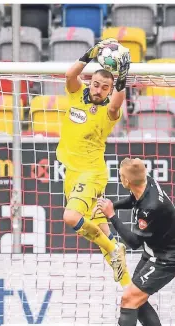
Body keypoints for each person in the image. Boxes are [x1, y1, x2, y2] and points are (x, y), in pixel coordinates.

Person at [95, 158, 175, 326]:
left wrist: (111, 215)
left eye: (121, 176)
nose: (119, 178)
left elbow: (133, 243)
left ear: (127, 180)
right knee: (135, 297)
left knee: (129, 298)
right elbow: (133, 200)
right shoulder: (147, 183)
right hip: (154, 251)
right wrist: (112, 206)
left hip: (169, 257)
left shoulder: (151, 207)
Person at [58, 38, 132, 286]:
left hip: (91, 173)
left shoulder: (108, 111)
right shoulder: (77, 93)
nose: (98, 90)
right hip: (72, 173)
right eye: (96, 84)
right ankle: (128, 286)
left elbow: (118, 101)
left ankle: (113, 249)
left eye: (104, 87)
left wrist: (121, 76)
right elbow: (70, 74)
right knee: (100, 227)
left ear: (109, 90)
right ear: (90, 83)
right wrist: (93, 52)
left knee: (71, 217)